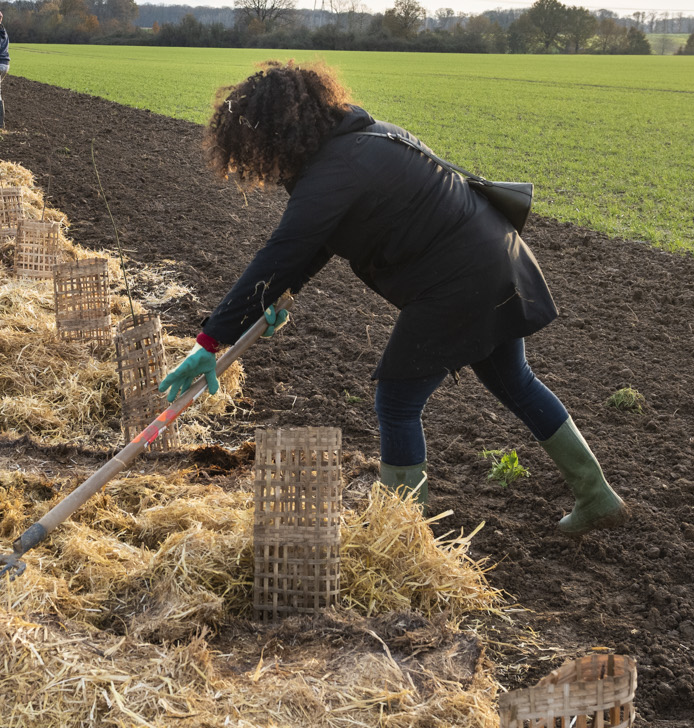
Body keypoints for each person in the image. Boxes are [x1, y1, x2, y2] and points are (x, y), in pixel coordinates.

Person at [159, 62, 625, 536]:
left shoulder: (334, 171)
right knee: (516, 383)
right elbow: (311, 248)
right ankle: (596, 495)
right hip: (496, 261)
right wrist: (275, 296)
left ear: (279, 133)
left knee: (397, 401)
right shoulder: (367, 140)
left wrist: (210, 339)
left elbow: (280, 252)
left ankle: (402, 537)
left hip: (457, 283)